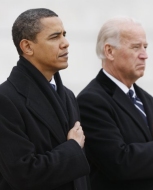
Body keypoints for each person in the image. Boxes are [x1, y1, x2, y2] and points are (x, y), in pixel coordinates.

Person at [77, 16, 153, 190]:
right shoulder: (91, 101)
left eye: (145, 47)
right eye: (136, 47)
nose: (145, 55)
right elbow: (117, 162)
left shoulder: (147, 99)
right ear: (109, 52)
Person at [0, 8, 90, 190]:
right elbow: (23, 174)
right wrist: (72, 147)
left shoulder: (68, 95)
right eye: (54, 37)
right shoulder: (6, 99)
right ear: (27, 47)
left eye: (64, 35)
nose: (65, 43)